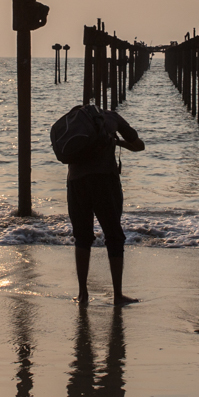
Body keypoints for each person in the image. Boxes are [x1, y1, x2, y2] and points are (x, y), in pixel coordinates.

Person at [62, 102, 145, 303]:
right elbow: (139, 146)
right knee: (114, 236)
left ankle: (83, 294)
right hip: (105, 181)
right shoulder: (113, 118)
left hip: (76, 181)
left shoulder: (74, 120)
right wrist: (116, 143)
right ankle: (117, 294)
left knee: (82, 237)